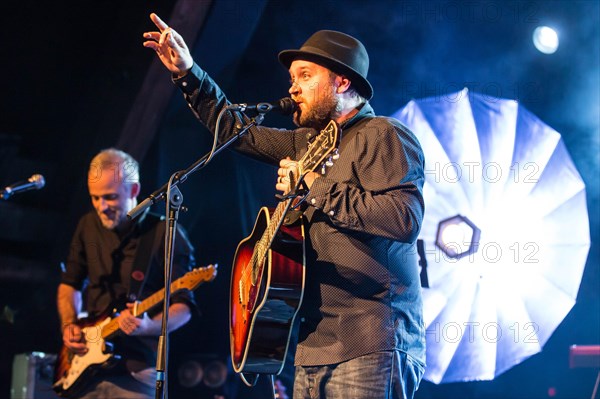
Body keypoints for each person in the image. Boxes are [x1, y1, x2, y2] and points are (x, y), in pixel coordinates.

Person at [144, 13, 426, 399]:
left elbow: (403, 220)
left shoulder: (383, 135)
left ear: (342, 81)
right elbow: (235, 133)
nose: (293, 88)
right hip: (310, 348)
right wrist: (189, 73)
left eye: (305, 75)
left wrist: (312, 186)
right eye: (292, 78)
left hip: (369, 340)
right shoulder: (307, 142)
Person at [57, 148, 196, 398]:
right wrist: (70, 324)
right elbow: (69, 284)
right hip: (85, 366)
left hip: (138, 367)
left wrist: (147, 326)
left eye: (109, 197)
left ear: (133, 191)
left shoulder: (164, 233)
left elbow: (183, 308)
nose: (101, 207)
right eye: (95, 198)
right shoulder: (87, 225)